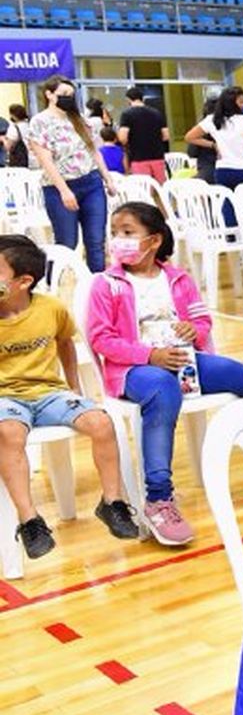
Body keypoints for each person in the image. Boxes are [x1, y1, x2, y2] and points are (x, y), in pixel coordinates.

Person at [86, 202, 243, 546]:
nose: (118, 240)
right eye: (115, 233)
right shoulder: (107, 284)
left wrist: (195, 331)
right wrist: (149, 355)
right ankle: (159, 499)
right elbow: (101, 339)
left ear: (154, 240)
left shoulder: (178, 279)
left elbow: (202, 321)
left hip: (185, 361)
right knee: (162, 389)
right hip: (135, 370)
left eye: (128, 233)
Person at [0, 235, 138, 558]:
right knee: (7, 433)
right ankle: (29, 520)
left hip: (50, 392)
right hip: (6, 396)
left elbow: (65, 342)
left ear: (24, 282)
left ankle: (112, 502)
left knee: (101, 423)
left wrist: (74, 385)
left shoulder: (51, 309)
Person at [28, 74, 118, 271]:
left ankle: (97, 287)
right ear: (49, 95)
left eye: (71, 94)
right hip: (59, 187)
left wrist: (108, 179)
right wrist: (64, 190)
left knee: (96, 242)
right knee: (66, 243)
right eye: (63, 94)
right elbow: (46, 160)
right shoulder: (39, 122)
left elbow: (94, 151)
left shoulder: (81, 120)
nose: (68, 97)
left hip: (92, 183)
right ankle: (53, 285)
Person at [183, 86, 243, 226]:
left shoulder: (212, 119)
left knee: (227, 204)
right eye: (241, 102)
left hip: (223, 170)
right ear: (233, 102)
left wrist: (213, 145)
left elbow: (189, 137)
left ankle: (231, 234)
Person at [115, 86, 171, 183]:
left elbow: (123, 138)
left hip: (138, 157)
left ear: (128, 99)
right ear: (142, 98)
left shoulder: (127, 114)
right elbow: (166, 136)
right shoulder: (157, 113)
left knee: (144, 189)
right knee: (161, 188)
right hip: (157, 156)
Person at [5, 104, 33, 168]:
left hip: (20, 160)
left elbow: (8, 146)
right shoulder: (30, 125)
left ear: (13, 115)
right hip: (33, 158)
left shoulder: (14, 128)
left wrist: (3, 139)